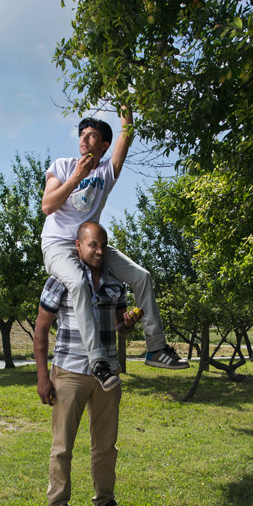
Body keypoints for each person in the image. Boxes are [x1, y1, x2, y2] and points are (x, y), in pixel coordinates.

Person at [41, 108, 189, 392]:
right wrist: (75, 177)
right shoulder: (62, 165)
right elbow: (48, 206)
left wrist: (124, 94)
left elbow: (127, 131)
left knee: (142, 276)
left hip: (92, 246)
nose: (84, 140)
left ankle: (156, 348)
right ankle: (98, 362)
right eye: (82, 135)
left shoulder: (108, 171)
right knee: (78, 283)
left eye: (92, 136)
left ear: (104, 145)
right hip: (59, 245)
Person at [34, 221, 142, 506]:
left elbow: (119, 325)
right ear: (78, 247)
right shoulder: (60, 280)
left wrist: (128, 323)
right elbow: (41, 330)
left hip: (106, 376)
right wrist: (44, 376)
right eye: (92, 245)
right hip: (69, 373)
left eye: (103, 245)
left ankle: (105, 500)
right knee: (63, 446)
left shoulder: (115, 282)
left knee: (106, 444)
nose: (98, 250)